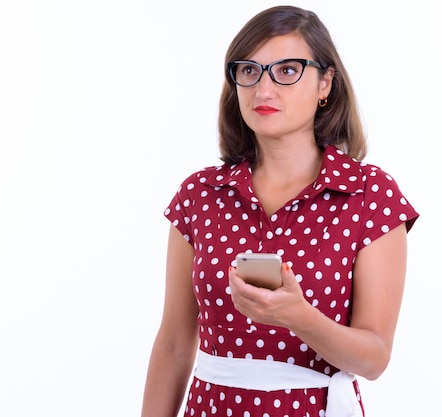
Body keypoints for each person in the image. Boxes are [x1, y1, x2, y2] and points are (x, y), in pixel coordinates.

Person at [141, 5, 419, 417]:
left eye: (287, 70)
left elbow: (374, 358)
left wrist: (301, 318)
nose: (263, 89)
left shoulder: (369, 195)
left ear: (326, 82)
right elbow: (174, 343)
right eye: (249, 71)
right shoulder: (201, 194)